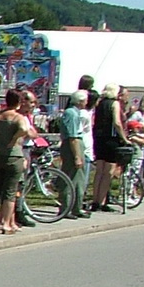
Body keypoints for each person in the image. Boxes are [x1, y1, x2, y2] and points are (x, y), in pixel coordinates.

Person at [0, 88, 36, 234]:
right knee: (10, 192)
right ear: (19, 102)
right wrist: (14, 138)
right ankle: (5, 223)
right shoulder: (18, 117)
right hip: (14, 156)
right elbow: (24, 129)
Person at [88, 84, 127, 212]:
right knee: (108, 172)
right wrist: (124, 138)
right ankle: (102, 201)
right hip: (111, 139)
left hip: (99, 138)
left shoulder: (100, 103)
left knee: (99, 171)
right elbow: (116, 122)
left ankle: (95, 200)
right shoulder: (114, 104)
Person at [58, 89, 91, 217]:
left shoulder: (76, 113)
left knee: (79, 178)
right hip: (73, 145)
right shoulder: (71, 114)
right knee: (70, 177)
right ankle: (66, 208)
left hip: (77, 143)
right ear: (80, 101)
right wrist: (77, 156)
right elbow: (72, 137)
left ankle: (77, 207)